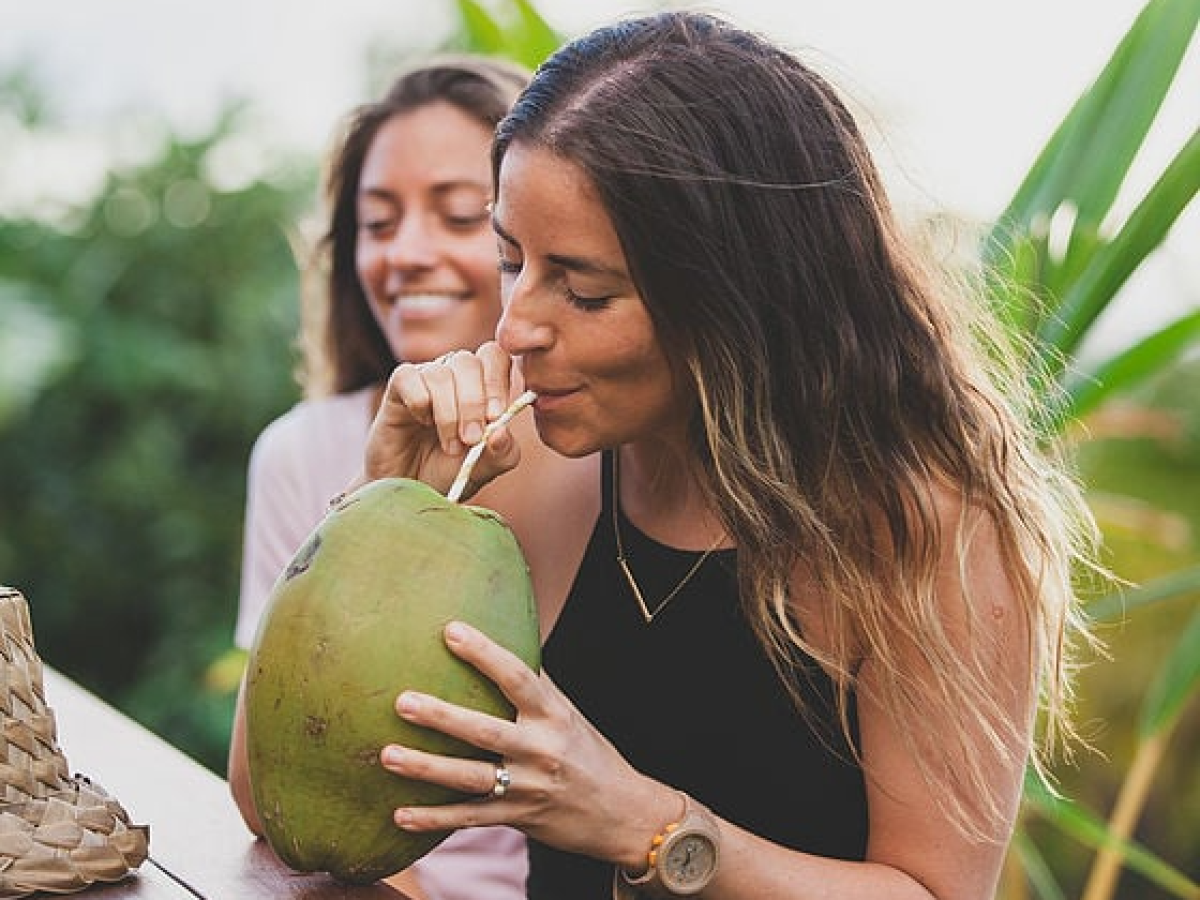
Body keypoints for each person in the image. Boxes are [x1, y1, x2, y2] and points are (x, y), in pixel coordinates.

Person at [346, 10, 1106, 900]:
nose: (515, 328)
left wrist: (647, 826)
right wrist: (380, 513)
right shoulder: (540, 473)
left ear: (735, 297)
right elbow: (290, 802)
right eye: (513, 260)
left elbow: (935, 894)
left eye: (583, 291)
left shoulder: (926, 528)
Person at [225, 55, 531, 900]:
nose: (408, 253)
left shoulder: (605, 455)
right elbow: (267, 797)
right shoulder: (302, 450)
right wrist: (371, 500)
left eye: (461, 214)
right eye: (379, 221)